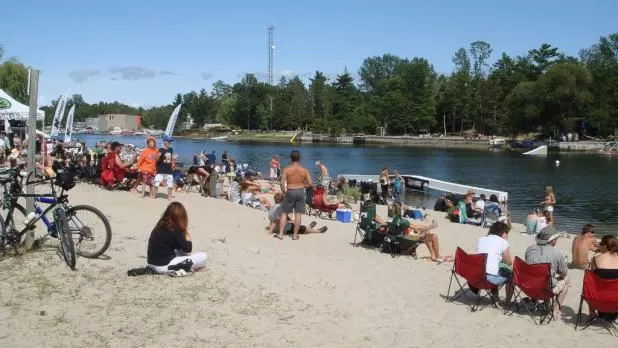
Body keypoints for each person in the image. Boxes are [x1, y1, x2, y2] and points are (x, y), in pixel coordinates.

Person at [146, 202, 207, 275]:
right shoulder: (174, 229)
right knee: (203, 256)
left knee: (180, 252)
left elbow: (181, 249)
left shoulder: (160, 225)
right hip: (163, 266)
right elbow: (188, 249)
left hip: (152, 263)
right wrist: (186, 233)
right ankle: (176, 267)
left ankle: (181, 266)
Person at [524, 225, 569, 319]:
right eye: (556, 238)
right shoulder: (557, 253)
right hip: (545, 288)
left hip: (528, 285)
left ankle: (534, 300)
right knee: (566, 280)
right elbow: (564, 273)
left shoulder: (530, 249)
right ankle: (556, 310)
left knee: (540, 274)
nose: (557, 240)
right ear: (551, 240)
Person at [276, 150, 312, 240]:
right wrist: (302, 186)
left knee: (284, 213)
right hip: (300, 192)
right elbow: (310, 183)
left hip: (290, 191)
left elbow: (281, 183)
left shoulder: (287, 169)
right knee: (298, 214)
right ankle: (295, 235)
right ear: (299, 158)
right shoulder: (305, 170)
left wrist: (284, 192)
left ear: (291, 158)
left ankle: (280, 234)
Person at [476, 221, 514, 304]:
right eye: (507, 233)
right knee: (511, 275)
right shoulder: (503, 242)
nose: (507, 236)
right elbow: (509, 262)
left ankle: (496, 297)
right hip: (489, 280)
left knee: (493, 268)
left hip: (476, 278)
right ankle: (508, 302)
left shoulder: (481, 239)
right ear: (503, 233)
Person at [588, 235, 618, 321]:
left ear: (605, 246)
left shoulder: (595, 259)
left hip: (599, 298)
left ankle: (592, 313)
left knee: (589, 284)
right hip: (616, 300)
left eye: (600, 244)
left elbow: (592, 279)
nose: (599, 245)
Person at [154, 135, 175, 200]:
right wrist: (159, 155)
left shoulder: (171, 149)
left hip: (169, 170)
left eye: (170, 141)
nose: (169, 142)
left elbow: (171, 159)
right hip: (161, 170)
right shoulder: (161, 149)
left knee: (170, 185)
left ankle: (169, 197)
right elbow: (156, 159)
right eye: (168, 141)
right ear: (164, 142)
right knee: (156, 183)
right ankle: (153, 195)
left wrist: (173, 164)